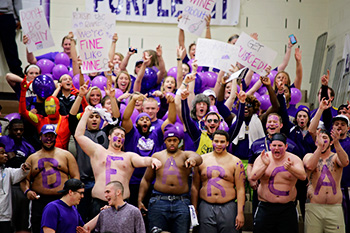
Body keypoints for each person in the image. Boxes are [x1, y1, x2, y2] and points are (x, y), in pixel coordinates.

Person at [74, 107, 162, 217]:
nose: (120, 137)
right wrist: (86, 113)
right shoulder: (98, 151)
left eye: (122, 136)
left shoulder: (129, 156)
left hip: (123, 205)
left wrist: (152, 160)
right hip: (99, 203)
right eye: (117, 135)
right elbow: (79, 135)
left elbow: (143, 160)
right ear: (109, 137)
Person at [138, 124, 202, 233]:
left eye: (175, 140)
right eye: (169, 140)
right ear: (165, 141)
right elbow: (146, 179)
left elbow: (198, 157)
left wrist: (192, 160)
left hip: (181, 202)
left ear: (179, 141)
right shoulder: (157, 156)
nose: (172, 143)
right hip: (159, 200)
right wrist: (140, 200)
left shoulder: (185, 155)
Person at [21, 124, 80, 233]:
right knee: (38, 227)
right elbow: (25, 179)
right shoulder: (32, 158)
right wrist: (27, 191)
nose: (49, 139)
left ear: (56, 137)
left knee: (64, 227)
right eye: (46, 136)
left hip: (62, 199)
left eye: (51, 136)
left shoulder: (66, 155)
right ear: (40, 137)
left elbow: (76, 177)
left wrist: (72, 194)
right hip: (39, 201)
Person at [249, 133, 306, 233]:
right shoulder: (263, 158)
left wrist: (290, 168)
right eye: (274, 145)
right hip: (266, 207)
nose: (277, 148)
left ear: (286, 146)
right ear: (270, 146)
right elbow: (253, 177)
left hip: (287, 208)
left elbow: (303, 177)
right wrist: (265, 166)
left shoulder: (294, 159)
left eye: (280, 146)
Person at [191, 130, 246, 233]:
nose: (219, 144)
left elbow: (240, 189)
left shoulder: (236, 162)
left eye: (222, 142)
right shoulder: (201, 160)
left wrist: (240, 213)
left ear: (227, 143)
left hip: (228, 206)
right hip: (205, 205)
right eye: (216, 141)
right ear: (212, 142)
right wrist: (194, 209)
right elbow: (195, 186)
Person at [303, 129, 349, 233]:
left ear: (331, 142)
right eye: (319, 138)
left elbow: (345, 162)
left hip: (334, 208)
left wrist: (337, 143)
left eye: (325, 138)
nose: (322, 141)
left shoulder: (335, 157)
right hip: (314, 207)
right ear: (315, 142)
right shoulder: (309, 156)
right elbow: (310, 166)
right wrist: (319, 147)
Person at [0, 119, 35, 233]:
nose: (19, 132)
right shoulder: (2, 140)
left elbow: (29, 165)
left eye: (21, 130)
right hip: (4, 178)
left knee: (21, 222)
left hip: (19, 183)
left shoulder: (28, 145)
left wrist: (17, 161)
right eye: (15, 130)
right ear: (9, 130)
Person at [0, 142, 30, 233]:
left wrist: (24, 168)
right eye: (2, 153)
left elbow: (20, 173)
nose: (6, 155)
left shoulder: (7, 172)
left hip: (5, 217)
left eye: (5, 153)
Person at [0, 0, 23, 77]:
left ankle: (19, 77)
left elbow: (17, 2)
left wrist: (20, 18)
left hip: (6, 16)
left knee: (10, 48)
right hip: (7, 15)